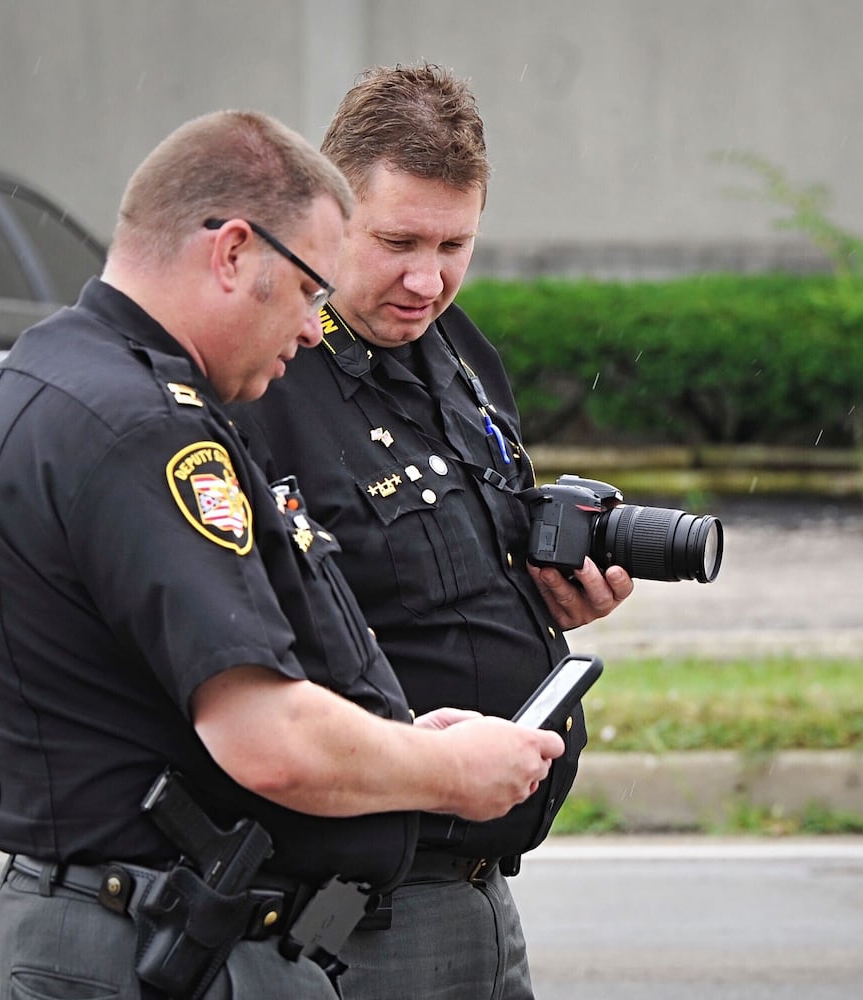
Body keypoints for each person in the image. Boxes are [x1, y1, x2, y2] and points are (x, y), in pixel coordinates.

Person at [0, 109, 563, 1000]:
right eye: (310, 288)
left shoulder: (42, 382)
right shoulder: (146, 428)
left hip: (107, 921)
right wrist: (449, 771)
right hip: (146, 937)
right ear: (232, 253)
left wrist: (383, 738)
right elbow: (265, 741)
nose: (314, 329)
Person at [233, 64, 634, 999]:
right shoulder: (263, 380)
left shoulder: (455, 353)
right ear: (327, 216)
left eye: (457, 244)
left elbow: (437, 574)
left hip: (480, 884)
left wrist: (546, 598)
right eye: (398, 240)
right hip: (355, 896)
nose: (429, 279)